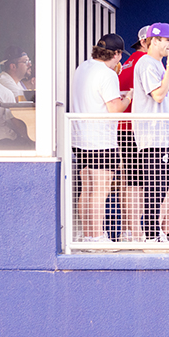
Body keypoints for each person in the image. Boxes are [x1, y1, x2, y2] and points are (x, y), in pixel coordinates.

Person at [71, 34, 133, 244]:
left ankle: (87, 235)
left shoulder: (83, 68)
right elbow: (115, 109)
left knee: (86, 186)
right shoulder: (107, 75)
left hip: (80, 137)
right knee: (100, 189)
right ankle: (97, 236)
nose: (120, 61)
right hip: (101, 140)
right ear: (116, 54)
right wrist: (129, 97)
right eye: (119, 56)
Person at [132, 22, 169, 243]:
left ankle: (160, 231)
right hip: (151, 137)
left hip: (163, 137)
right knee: (155, 187)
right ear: (154, 41)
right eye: (168, 40)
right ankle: (151, 235)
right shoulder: (146, 63)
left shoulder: (159, 65)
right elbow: (159, 95)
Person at [116, 25, 150, 242]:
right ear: (148, 42)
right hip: (133, 128)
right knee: (136, 181)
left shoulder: (128, 63)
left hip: (122, 127)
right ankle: (133, 231)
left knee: (129, 179)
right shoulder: (143, 62)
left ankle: (128, 230)